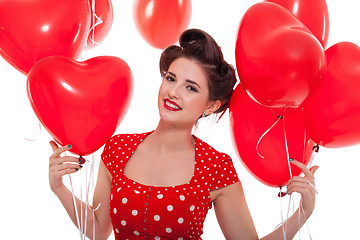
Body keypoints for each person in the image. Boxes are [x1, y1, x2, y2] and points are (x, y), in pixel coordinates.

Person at [49, 29, 319, 240]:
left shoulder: (217, 168)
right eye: (170, 78)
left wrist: (303, 213)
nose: (174, 92)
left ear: (211, 105)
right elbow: (97, 230)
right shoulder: (117, 148)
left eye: (191, 88)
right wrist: (59, 188)